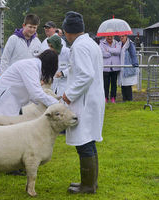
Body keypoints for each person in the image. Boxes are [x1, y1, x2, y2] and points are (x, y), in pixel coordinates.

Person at [61, 11, 105, 194]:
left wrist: (68, 95)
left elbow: (86, 75)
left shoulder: (79, 47)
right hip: (92, 99)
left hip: (84, 101)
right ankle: (90, 182)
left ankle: (87, 185)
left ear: (68, 31)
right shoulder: (89, 43)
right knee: (89, 140)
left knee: (84, 142)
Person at [0, 49, 59, 116]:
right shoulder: (31, 66)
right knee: (2, 124)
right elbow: (36, 93)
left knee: (5, 125)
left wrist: (45, 102)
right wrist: (56, 104)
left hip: (9, 96)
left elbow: (33, 94)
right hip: (5, 96)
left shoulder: (34, 66)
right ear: (50, 66)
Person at [99, 35, 122, 103]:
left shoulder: (117, 43)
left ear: (113, 36)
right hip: (106, 67)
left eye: (111, 36)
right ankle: (105, 98)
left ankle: (113, 98)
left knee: (114, 84)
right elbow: (102, 53)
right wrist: (111, 53)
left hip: (115, 67)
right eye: (108, 36)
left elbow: (118, 51)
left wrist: (108, 50)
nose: (109, 38)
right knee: (105, 84)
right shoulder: (101, 43)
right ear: (105, 36)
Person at [118, 35, 139, 101]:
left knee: (128, 85)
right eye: (120, 37)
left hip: (128, 67)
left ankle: (129, 100)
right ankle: (124, 99)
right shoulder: (119, 44)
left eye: (123, 36)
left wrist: (135, 64)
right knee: (123, 85)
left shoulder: (130, 44)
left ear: (126, 36)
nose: (121, 38)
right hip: (122, 67)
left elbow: (133, 55)